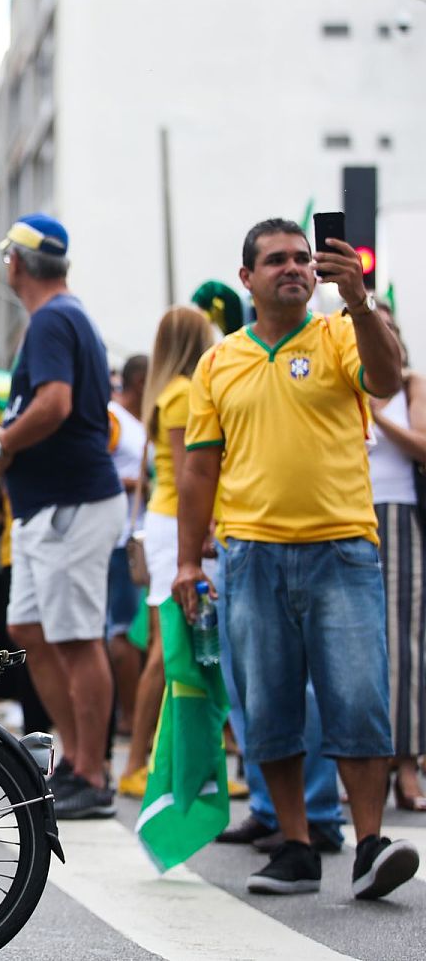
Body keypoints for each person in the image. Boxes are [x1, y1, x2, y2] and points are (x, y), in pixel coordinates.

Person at [173, 218, 418, 899]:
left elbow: (389, 375)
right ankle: (297, 849)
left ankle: (370, 846)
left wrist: (361, 301)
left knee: (358, 698)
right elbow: (198, 471)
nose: (295, 268)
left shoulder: (341, 333)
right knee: (269, 705)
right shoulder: (219, 362)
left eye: (304, 259)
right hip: (251, 557)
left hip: (341, 550)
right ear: (247, 278)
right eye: (276, 259)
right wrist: (190, 562)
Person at [0, 213, 125, 820]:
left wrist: (8, 441)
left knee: (73, 637)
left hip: (71, 502)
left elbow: (55, 403)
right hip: (55, 504)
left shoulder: (51, 319)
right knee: (31, 631)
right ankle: (78, 760)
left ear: (16, 264)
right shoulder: (65, 317)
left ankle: (92, 773)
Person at [117, 307, 216, 798]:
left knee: (171, 647)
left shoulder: (169, 392)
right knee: (167, 649)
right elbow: (186, 474)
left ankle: (161, 762)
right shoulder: (181, 394)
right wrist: (202, 533)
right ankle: (138, 763)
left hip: (169, 522)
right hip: (177, 523)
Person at [366, 310, 426, 812]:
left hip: (399, 512)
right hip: (345, 514)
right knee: (355, 647)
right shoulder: (340, 374)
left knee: (403, 645)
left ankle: (406, 767)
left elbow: (422, 446)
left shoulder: (410, 385)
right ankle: (363, 767)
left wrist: (376, 414)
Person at [105, 354, 148, 734]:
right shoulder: (114, 417)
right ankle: (130, 719)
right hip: (120, 540)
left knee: (138, 630)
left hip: (140, 538)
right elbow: (95, 469)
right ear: (139, 383)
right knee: (123, 629)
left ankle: (134, 717)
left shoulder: (137, 422)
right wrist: (140, 484)